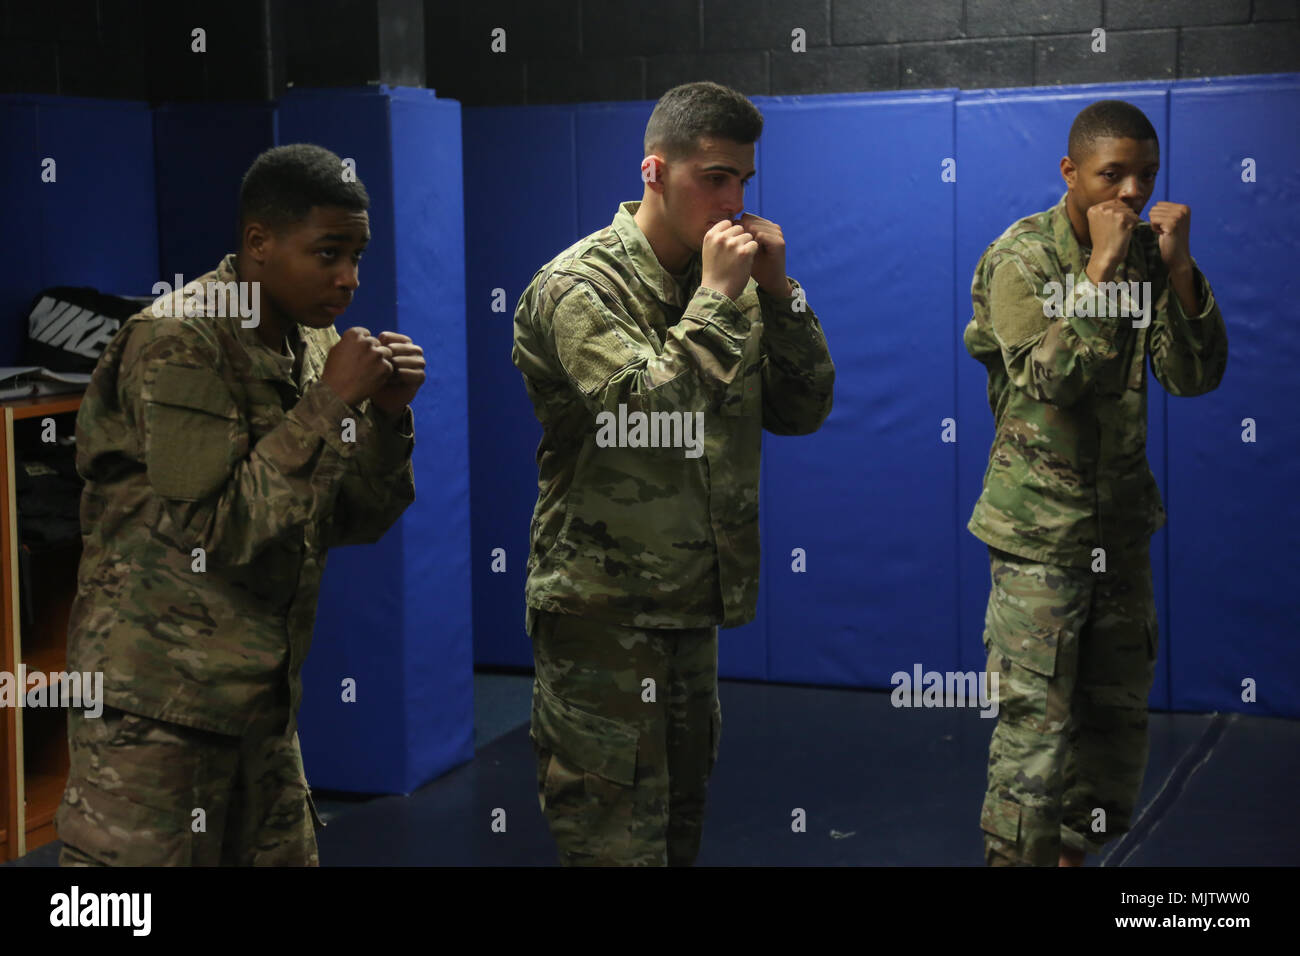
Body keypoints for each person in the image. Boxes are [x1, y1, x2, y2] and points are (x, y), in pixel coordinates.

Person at [56, 143, 424, 866]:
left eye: (357, 254)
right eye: (327, 253)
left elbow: (354, 518)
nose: (349, 278)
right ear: (259, 243)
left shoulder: (312, 343)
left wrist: (384, 417)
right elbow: (216, 530)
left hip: (258, 704)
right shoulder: (180, 339)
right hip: (153, 709)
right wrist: (330, 403)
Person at [511, 81, 835, 866]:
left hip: (689, 608)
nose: (731, 203)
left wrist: (781, 297)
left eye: (742, 182)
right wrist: (721, 299)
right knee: (614, 844)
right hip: (601, 615)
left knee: (677, 836)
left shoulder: (728, 284)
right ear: (655, 171)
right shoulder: (578, 287)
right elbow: (644, 420)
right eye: (713, 178)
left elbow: (803, 408)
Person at [964, 100, 1228, 867]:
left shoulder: (1150, 252)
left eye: (1145, 174)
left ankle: (1080, 858)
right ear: (1070, 172)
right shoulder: (1019, 260)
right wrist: (1100, 270)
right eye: (1113, 174)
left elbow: (1194, 375)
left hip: (1120, 529)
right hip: (1038, 535)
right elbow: (1051, 380)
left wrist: (1178, 269)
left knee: (1116, 728)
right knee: (1036, 734)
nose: (1132, 191)